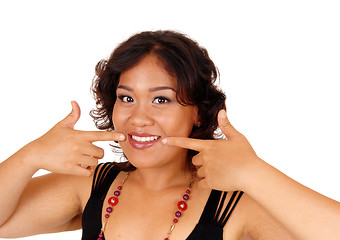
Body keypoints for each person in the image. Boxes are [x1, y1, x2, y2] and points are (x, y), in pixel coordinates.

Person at [0, 30, 339, 240]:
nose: (138, 118)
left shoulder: (236, 205)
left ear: (197, 111)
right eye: (126, 98)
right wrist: (30, 155)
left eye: (161, 99)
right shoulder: (90, 186)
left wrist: (254, 173)